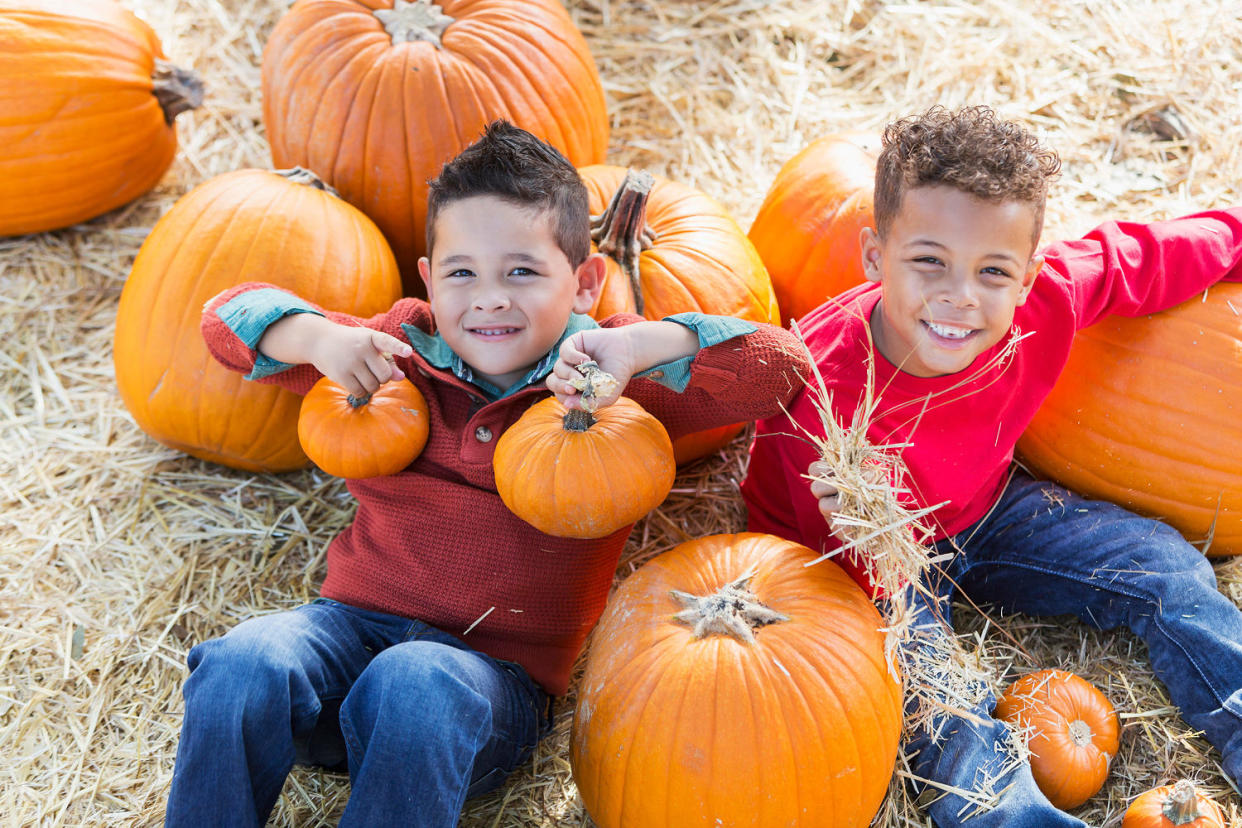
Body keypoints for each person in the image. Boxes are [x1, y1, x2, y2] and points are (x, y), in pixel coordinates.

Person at [165, 120, 809, 827]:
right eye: (462, 272)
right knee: (241, 662)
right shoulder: (397, 350)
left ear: (587, 280)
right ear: (429, 281)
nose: (490, 297)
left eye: (522, 271)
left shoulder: (608, 382)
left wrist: (640, 345)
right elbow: (222, 321)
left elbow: (781, 371)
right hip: (346, 637)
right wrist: (318, 338)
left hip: (483, 691)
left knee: (415, 682)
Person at [742, 105, 1242, 827]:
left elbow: (1153, 255)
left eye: (992, 271)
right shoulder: (824, 384)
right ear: (875, 256)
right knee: (934, 690)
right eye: (929, 261)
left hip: (984, 510)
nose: (960, 296)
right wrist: (868, 547)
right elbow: (845, 560)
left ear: (1028, 273)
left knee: (1157, 564)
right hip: (861, 562)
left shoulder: (1048, 299)